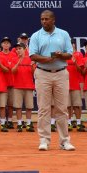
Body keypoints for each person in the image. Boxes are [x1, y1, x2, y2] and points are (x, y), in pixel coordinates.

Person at [29, 10, 74, 151]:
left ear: (53, 20)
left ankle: (64, 141)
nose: (44, 21)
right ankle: (44, 140)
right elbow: (32, 56)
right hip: (43, 73)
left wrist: (61, 55)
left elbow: (69, 54)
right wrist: (48, 59)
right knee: (43, 109)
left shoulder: (63, 34)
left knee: (62, 109)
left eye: (46, 19)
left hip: (61, 73)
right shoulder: (36, 35)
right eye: (42, 19)